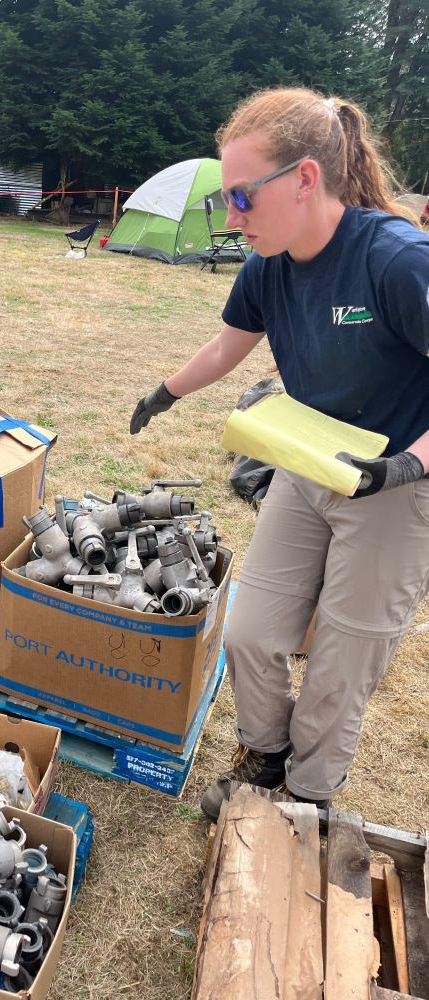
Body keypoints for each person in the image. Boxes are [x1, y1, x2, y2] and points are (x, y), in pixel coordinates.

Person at [130, 88, 429, 820]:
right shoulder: (268, 262)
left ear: (304, 178)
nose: (231, 218)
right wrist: (165, 392)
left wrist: (411, 463)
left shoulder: (396, 260)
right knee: (250, 630)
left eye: (241, 196)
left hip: (395, 486)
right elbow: (228, 346)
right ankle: (265, 756)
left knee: (342, 665)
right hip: (309, 466)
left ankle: (307, 796)